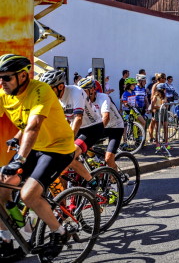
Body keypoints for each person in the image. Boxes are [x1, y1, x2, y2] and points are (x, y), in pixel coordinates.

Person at [0, 55, 75, 260]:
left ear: (23, 76)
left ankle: (59, 233)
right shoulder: (4, 94)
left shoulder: (41, 90)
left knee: (28, 194)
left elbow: (33, 126)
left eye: (6, 78)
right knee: (1, 190)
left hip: (57, 149)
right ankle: (7, 241)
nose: (2, 82)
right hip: (34, 147)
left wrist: (20, 159)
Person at [39, 71, 101, 183]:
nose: (47, 92)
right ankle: (65, 195)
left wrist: (68, 140)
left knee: (68, 157)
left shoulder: (75, 92)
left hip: (93, 127)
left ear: (60, 86)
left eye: (49, 89)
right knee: (60, 162)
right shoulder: (55, 97)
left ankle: (93, 182)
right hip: (77, 128)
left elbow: (78, 118)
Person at [81, 77, 124, 170]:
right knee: (82, 143)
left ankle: (116, 178)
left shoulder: (103, 97)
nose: (82, 94)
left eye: (84, 91)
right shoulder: (84, 100)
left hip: (115, 127)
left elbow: (106, 117)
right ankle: (96, 162)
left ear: (92, 90)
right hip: (101, 126)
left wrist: (96, 134)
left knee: (108, 159)